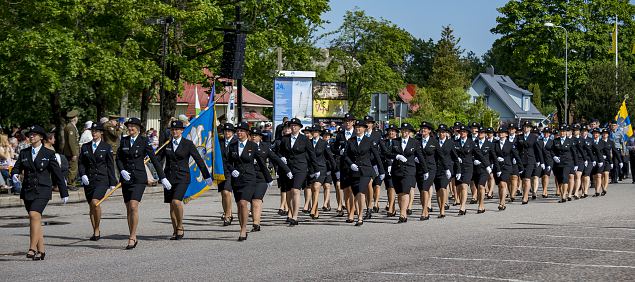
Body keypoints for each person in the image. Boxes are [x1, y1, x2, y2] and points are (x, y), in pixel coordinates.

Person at [11, 125, 69, 261]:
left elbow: (57, 174)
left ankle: (32, 248)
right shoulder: (24, 152)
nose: (31, 136)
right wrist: (14, 174)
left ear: (41, 137)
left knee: (34, 214)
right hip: (28, 190)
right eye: (30, 134)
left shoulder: (49, 154)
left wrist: (64, 192)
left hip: (43, 189)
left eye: (34, 134)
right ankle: (41, 250)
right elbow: (17, 167)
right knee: (35, 219)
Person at [116, 117, 170, 249]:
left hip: (139, 178)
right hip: (126, 178)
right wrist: (121, 170)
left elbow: (154, 159)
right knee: (129, 208)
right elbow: (118, 158)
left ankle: (132, 237)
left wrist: (162, 177)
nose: (130, 128)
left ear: (138, 128)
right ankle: (132, 233)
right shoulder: (124, 140)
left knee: (134, 206)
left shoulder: (144, 141)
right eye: (129, 126)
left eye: (133, 126)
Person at [159, 120, 212, 240]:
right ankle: (175, 229)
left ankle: (180, 226)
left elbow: (198, 159)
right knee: (171, 205)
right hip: (169, 178)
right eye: (172, 130)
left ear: (182, 131)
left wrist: (206, 175)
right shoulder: (166, 144)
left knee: (176, 201)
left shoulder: (188, 144)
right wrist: (161, 176)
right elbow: (158, 159)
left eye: (177, 129)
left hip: (182, 177)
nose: (174, 131)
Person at [225, 122, 272, 240]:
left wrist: (268, 178)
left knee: (243, 203)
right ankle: (242, 226)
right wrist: (232, 170)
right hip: (237, 179)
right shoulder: (232, 146)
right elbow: (227, 162)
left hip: (250, 179)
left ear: (247, 133)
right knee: (239, 205)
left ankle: (243, 229)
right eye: (238, 131)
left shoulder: (253, 145)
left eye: (242, 131)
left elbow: (261, 162)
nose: (239, 133)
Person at [276, 118, 319, 226]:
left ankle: (295, 216)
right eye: (292, 125)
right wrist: (282, 158)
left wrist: (316, 169)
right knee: (289, 192)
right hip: (288, 168)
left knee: (295, 190)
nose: (293, 127)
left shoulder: (304, 139)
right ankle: (290, 212)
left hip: (300, 168)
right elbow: (279, 152)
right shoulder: (285, 139)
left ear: (300, 127)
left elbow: (311, 154)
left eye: (296, 125)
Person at [78, 123, 117, 241]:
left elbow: (110, 165)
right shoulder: (85, 147)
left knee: (95, 202)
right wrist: (83, 174)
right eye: (93, 131)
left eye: (96, 131)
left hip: (101, 179)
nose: (94, 133)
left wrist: (112, 182)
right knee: (91, 205)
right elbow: (81, 163)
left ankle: (97, 228)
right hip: (89, 180)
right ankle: (95, 229)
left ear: (101, 133)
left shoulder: (106, 147)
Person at [342, 120, 385, 226]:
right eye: (356, 127)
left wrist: (381, 171)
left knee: (361, 192)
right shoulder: (350, 141)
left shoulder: (369, 140)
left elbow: (376, 156)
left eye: (360, 127)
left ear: (364, 129)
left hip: (366, 170)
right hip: (353, 171)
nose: (358, 129)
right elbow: (345, 155)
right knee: (356, 194)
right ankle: (358, 215)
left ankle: (360, 217)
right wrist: (351, 164)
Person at [250, 127, 291, 231]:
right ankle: (255, 218)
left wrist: (287, 170)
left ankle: (256, 222)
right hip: (248, 176)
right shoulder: (245, 146)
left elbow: (276, 158)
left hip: (262, 176)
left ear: (260, 137)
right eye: (252, 135)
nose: (254, 137)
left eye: (256, 135)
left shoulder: (265, 147)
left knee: (257, 199)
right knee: (250, 200)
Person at [386, 123, 422, 223]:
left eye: (406, 130)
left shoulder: (414, 142)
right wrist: (396, 156)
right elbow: (387, 153)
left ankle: (402, 214)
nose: (404, 132)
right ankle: (403, 211)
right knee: (400, 193)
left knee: (405, 191)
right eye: (403, 130)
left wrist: (425, 169)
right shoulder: (394, 142)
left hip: (409, 170)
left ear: (409, 132)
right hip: (396, 170)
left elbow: (419, 156)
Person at [453, 125, 484, 215]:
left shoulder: (471, 142)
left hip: (468, 167)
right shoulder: (455, 142)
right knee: (458, 187)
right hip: (458, 167)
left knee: (464, 186)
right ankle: (461, 203)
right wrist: (456, 158)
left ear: (467, 133)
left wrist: (486, 165)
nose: (462, 133)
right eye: (461, 131)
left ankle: (462, 207)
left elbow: (478, 154)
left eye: (464, 132)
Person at [307, 125, 335, 219]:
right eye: (312, 131)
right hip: (311, 169)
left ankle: (313, 208)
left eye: (316, 131)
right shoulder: (308, 142)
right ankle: (316, 212)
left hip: (321, 168)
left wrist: (334, 169)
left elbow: (330, 156)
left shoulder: (323, 143)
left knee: (316, 186)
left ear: (319, 132)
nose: (314, 133)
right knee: (313, 190)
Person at [492, 126, 519, 210]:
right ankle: (502, 200)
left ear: (506, 134)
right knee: (500, 185)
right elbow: (492, 155)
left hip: (507, 166)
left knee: (503, 184)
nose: (501, 134)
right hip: (497, 166)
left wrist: (520, 167)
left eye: (502, 132)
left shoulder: (510, 144)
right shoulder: (494, 144)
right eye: (499, 133)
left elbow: (516, 155)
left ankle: (502, 202)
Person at [363, 116, 384, 213]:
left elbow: (383, 149)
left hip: (375, 163)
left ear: (372, 124)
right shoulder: (361, 134)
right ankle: (370, 205)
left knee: (377, 184)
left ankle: (376, 202)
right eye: (366, 122)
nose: (367, 124)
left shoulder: (377, 135)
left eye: (369, 122)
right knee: (368, 184)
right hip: (365, 164)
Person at [416, 122, 436, 220]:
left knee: (425, 189)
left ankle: (424, 211)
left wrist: (446, 168)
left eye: (425, 128)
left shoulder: (434, 141)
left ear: (429, 131)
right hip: (419, 169)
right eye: (422, 128)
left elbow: (440, 156)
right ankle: (425, 210)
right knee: (421, 191)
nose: (423, 130)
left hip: (430, 169)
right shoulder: (417, 141)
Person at [218, 123, 237, 226]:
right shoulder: (219, 143)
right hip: (221, 171)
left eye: (229, 131)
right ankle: (227, 212)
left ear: (233, 132)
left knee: (226, 192)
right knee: (223, 194)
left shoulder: (236, 142)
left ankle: (228, 215)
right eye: (225, 131)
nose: (227, 132)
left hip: (232, 171)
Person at [551, 126, 576, 203]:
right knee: (559, 180)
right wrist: (554, 156)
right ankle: (562, 196)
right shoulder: (555, 141)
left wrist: (576, 164)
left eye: (564, 131)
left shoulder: (570, 141)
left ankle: (564, 195)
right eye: (561, 131)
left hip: (567, 162)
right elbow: (552, 150)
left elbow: (574, 153)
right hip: (558, 163)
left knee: (565, 177)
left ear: (566, 132)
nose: (562, 133)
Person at [473, 127, 493, 213]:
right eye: (479, 132)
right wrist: (473, 160)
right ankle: (479, 200)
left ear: (485, 134)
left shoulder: (489, 144)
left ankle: (481, 205)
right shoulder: (473, 143)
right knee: (477, 186)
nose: (480, 134)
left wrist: (491, 166)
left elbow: (493, 156)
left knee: (481, 186)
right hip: (475, 167)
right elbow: (469, 154)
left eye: (482, 132)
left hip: (485, 168)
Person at [381, 125, 399, 216]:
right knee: (389, 188)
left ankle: (391, 207)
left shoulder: (399, 142)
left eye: (393, 131)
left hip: (396, 167)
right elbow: (384, 154)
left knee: (392, 187)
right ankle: (393, 207)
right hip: (386, 167)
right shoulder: (384, 142)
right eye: (390, 131)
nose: (391, 133)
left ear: (396, 132)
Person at [63, 110, 81, 187]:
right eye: (76, 117)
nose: (77, 119)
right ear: (74, 118)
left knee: (73, 168)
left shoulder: (71, 126)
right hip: (71, 152)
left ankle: (72, 182)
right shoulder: (70, 127)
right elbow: (71, 142)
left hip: (72, 151)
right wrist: (74, 154)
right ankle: (71, 184)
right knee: (73, 168)